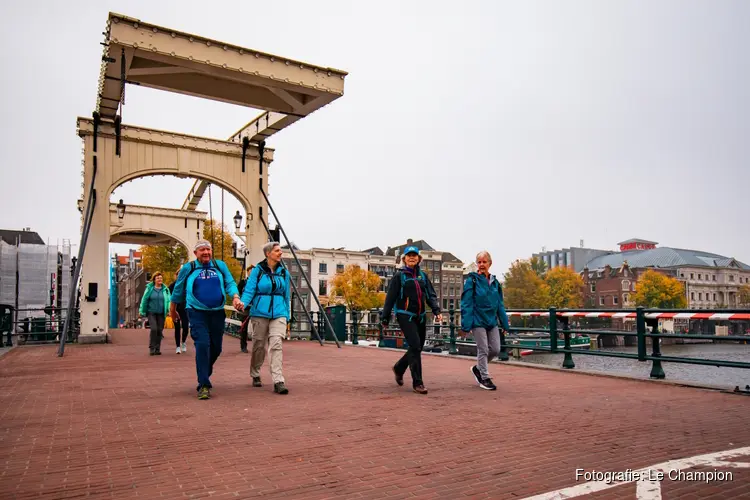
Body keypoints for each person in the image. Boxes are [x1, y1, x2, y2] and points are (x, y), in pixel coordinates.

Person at [170, 240, 243, 400]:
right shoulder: (189, 268)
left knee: (216, 348)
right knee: (202, 344)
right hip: (196, 312)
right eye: (202, 250)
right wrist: (173, 309)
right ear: (195, 253)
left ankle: (204, 370)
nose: (206, 253)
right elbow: (178, 289)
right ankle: (203, 384)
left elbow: (230, 283)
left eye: (208, 250)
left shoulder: (220, 266)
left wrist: (236, 297)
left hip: (217, 312)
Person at [381, 246, 442, 395]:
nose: (412, 258)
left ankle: (399, 367)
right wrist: (385, 317)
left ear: (419, 259)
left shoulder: (422, 276)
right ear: (404, 259)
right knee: (415, 345)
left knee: (417, 347)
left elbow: (430, 295)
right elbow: (390, 298)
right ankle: (418, 383)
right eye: (409, 256)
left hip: (420, 316)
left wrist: (436, 310)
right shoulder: (399, 276)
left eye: (415, 256)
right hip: (404, 315)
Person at [240, 242, 290, 395]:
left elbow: (286, 294)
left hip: (279, 311)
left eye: (280, 250)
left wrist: (287, 315)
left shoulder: (284, 272)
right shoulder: (257, 271)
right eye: (277, 251)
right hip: (260, 312)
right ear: (268, 254)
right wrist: (243, 303)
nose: (280, 253)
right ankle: (255, 373)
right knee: (259, 345)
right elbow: (250, 290)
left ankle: (278, 380)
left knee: (276, 343)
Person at [460, 250, 510, 391]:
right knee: (483, 349)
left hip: (491, 321)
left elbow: (499, 304)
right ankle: (484, 378)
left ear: (490, 263)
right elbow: (466, 303)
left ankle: (478, 368)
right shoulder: (472, 281)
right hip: (478, 320)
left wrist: (504, 323)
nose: (481, 264)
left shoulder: (495, 283)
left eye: (484, 262)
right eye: (479, 262)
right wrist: (466, 324)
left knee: (495, 349)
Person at [139, 272, 171, 356]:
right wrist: (142, 310)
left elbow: (168, 301)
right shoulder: (149, 289)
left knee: (159, 330)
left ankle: (157, 349)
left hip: (161, 313)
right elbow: (144, 299)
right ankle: (152, 348)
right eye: (158, 278)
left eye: (161, 278)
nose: (160, 279)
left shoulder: (165, 290)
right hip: (151, 312)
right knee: (154, 329)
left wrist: (169, 310)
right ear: (154, 280)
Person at [236, 265, 255, 353]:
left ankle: (257, 346)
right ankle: (243, 346)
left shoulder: (259, 283)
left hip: (256, 308)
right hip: (246, 308)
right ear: (247, 272)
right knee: (244, 327)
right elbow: (237, 293)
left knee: (258, 328)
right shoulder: (243, 282)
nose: (252, 274)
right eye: (250, 272)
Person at [168, 278, 189, 354]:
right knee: (177, 327)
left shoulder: (187, 284)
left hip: (185, 309)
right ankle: (177, 346)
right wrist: (170, 308)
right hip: (175, 309)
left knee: (185, 327)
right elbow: (168, 296)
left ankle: (183, 342)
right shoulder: (173, 285)